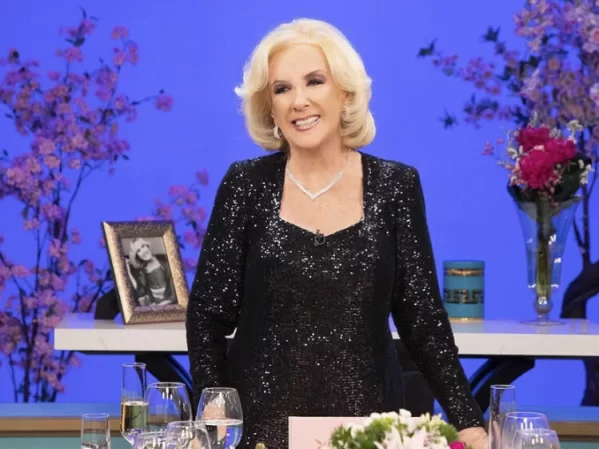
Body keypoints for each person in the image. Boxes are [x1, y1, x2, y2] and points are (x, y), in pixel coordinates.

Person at [186, 18, 488, 449]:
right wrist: (213, 407)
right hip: (259, 433)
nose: (299, 101)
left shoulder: (395, 187)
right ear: (269, 108)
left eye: (315, 81)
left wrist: (468, 421)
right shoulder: (245, 185)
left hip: (368, 434)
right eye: (282, 89)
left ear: (345, 92)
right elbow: (208, 315)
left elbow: (422, 320)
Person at [126, 238, 176, 306]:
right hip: (155, 306)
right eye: (138, 251)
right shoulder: (143, 272)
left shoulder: (165, 265)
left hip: (168, 305)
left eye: (143, 246)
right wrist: (128, 272)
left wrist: (158, 306)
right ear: (138, 256)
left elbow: (174, 294)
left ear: (147, 246)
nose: (143, 251)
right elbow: (140, 291)